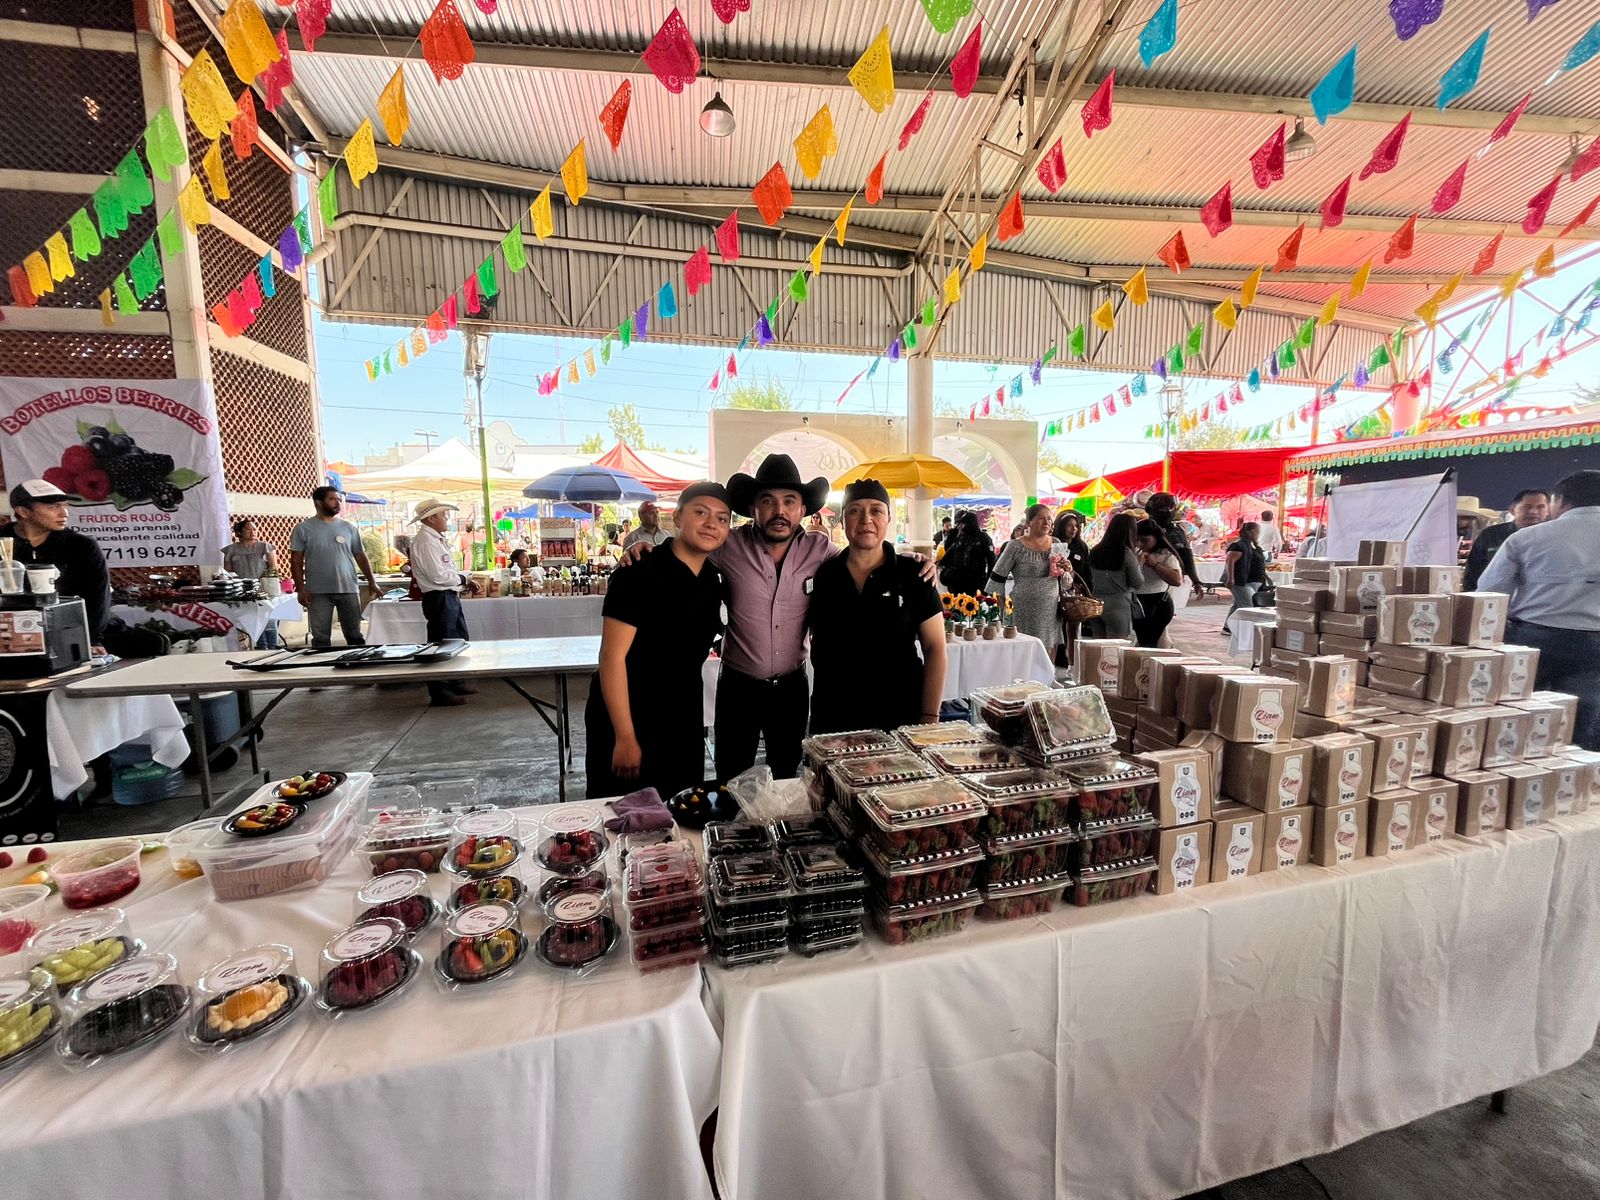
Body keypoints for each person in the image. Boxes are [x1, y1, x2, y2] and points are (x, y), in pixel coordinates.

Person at [585, 482, 732, 799]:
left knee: (679, 808)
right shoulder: (639, 571)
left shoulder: (714, 580)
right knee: (624, 811)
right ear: (677, 517)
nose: (711, 524)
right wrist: (625, 737)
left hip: (682, 717)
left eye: (722, 518)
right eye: (701, 513)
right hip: (631, 714)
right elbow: (612, 658)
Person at [808, 480, 947, 733]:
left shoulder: (914, 573)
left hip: (899, 716)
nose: (866, 519)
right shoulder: (825, 574)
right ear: (842, 520)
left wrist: (929, 718)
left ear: (889, 518)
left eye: (876, 510)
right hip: (834, 717)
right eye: (855, 510)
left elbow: (935, 647)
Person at [1480, 470, 1600, 749]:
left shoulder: (1526, 538)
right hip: (1595, 647)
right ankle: (1576, 768)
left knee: (1519, 714)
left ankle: (1516, 766)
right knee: (1584, 721)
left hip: (1533, 641)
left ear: (1560, 501)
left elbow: (1490, 592)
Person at [1, 480, 110, 653]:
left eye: (65, 506)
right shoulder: (3, 544)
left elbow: (97, 598)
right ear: (23, 511)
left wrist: (91, 639)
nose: (64, 513)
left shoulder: (81, 546)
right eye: (53, 507)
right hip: (9, 633)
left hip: (68, 629)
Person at [406, 498, 478, 707]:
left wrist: (461, 580)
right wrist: (463, 579)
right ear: (431, 518)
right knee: (442, 643)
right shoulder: (426, 541)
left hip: (448, 595)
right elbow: (438, 576)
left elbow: (444, 572)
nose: (446, 519)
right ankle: (440, 691)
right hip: (439, 596)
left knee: (457, 639)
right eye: (442, 515)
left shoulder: (434, 539)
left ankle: (455, 681)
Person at [290, 485, 378, 651]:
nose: (337, 503)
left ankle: (358, 663)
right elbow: (296, 561)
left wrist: (372, 582)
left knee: (354, 635)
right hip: (317, 592)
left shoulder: (349, 528)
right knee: (321, 637)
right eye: (332, 499)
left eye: (338, 499)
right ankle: (322, 666)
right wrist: (301, 589)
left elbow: (360, 556)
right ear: (318, 502)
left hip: (348, 588)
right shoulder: (303, 529)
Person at [988, 503, 1069, 657]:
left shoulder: (1057, 544)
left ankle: (1048, 674)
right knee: (1022, 653)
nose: (1046, 522)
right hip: (1022, 609)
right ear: (1029, 522)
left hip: (1050, 609)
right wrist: (1000, 607)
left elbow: (1066, 582)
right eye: (1041, 518)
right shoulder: (1015, 546)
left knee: (1048, 652)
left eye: (1049, 519)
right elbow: (997, 578)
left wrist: (1068, 570)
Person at [1464, 488, 1549, 589]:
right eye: (1527, 507)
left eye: (1540, 507)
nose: (1533, 512)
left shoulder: (1552, 537)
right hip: (1495, 594)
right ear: (1512, 510)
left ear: (1547, 511)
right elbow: (1473, 571)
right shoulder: (1491, 534)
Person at [222, 518, 282, 648]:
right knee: (253, 623)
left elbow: (273, 569)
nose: (253, 532)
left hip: (264, 591)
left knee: (269, 621)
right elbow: (227, 573)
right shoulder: (231, 550)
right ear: (239, 532)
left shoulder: (266, 547)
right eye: (248, 529)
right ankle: (262, 648)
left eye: (254, 529)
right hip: (243, 593)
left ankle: (273, 648)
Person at [1087, 512, 1144, 640]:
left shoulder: (1096, 550)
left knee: (1098, 645)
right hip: (1118, 605)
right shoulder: (1126, 553)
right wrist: (1139, 562)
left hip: (1096, 603)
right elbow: (1137, 583)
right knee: (1115, 646)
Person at [1131, 519, 1184, 647]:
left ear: (1156, 537)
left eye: (1145, 540)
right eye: (1137, 540)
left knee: (1150, 642)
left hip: (1158, 602)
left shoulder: (1166, 555)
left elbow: (1177, 580)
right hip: (1137, 602)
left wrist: (1155, 565)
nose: (1140, 544)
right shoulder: (1135, 553)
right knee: (1142, 641)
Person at [1146, 493, 1205, 600]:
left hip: (1166, 583)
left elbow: (1186, 555)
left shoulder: (1176, 530)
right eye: (1163, 508)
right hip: (1143, 583)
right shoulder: (1142, 527)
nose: (1167, 511)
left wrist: (1196, 581)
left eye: (1170, 508)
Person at [1221, 522, 1268, 636]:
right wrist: (1231, 578)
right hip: (1242, 581)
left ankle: (1228, 627)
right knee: (1248, 606)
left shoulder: (1253, 545)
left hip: (1254, 581)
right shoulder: (1238, 545)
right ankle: (1247, 631)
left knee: (1238, 605)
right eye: (1256, 531)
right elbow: (1230, 561)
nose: (1258, 534)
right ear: (1249, 532)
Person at [938, 510, 996, 599]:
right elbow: (949, 553)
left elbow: (991, 561)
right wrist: (943, 568)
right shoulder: (961, 537)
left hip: (976, 581)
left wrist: (990, 582)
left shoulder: (983, 538)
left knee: (974, 605)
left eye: (963, 524)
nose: (961, 526)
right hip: (958, 581)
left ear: (971, 524)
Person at [1050, 509, 1093, 592]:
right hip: (1057, 590)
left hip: (1079, 592)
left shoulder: (1082, 546)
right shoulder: (1054, 544)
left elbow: (1087, 571)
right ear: (1062, 527)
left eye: (1076, 526)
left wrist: (1084, 587)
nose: (1074, 529)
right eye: (1069, 525)